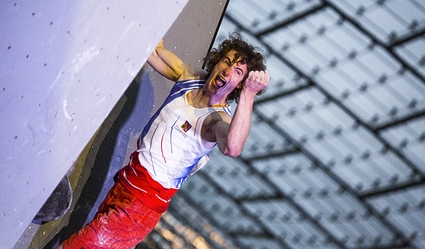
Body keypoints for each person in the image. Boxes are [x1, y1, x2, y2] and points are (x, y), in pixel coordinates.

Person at [57, 33, 270, 249]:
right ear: (217, 61)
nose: (227, 71)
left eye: (237, 71)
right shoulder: (190, 77)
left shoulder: (217, 118)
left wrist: (249, 95)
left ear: (239, 85)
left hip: (142, 205)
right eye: (227, 61)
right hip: (127, 182)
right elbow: (153, 51)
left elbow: (232, 147)